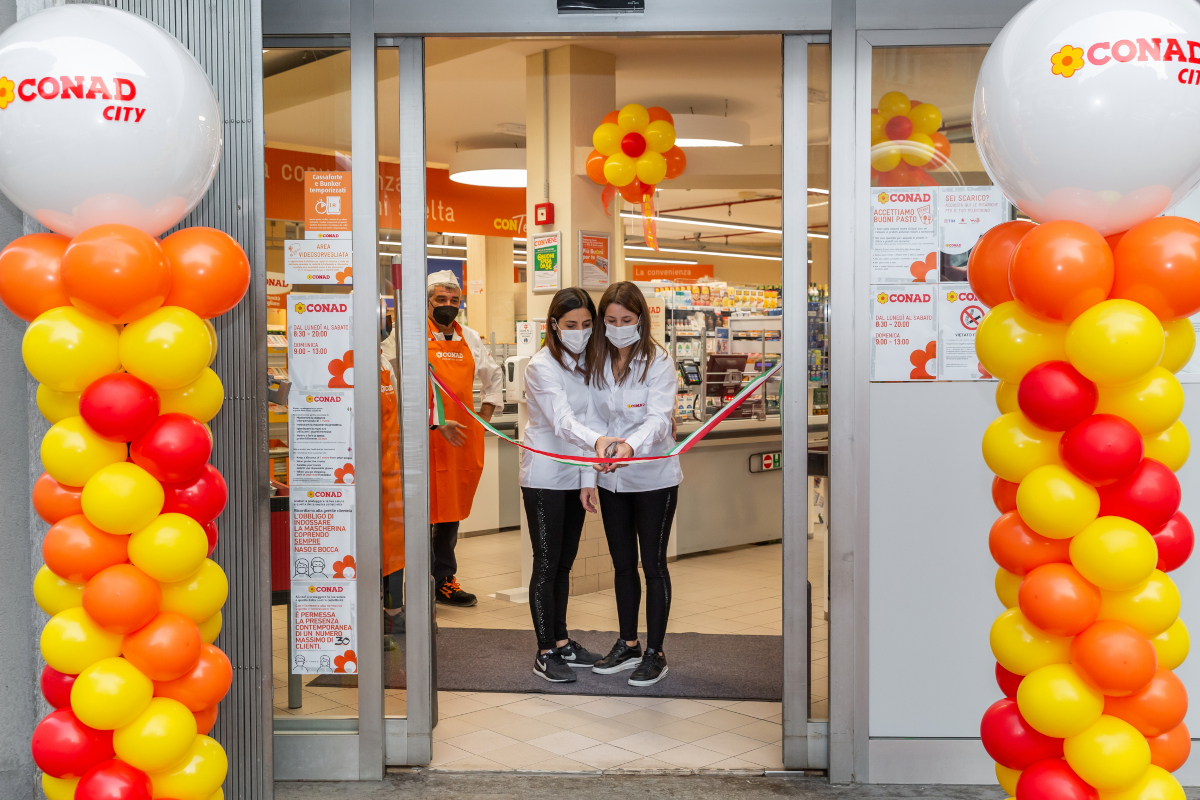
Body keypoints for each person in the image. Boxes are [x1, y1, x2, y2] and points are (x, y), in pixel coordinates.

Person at [587, 281, 682, 687]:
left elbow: (660, 419)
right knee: (623, 564)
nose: (618, 326)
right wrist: (596, 465)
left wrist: (630, 445)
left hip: (653, 476)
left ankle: (656, 652)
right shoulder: (598, 360)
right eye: (610, 320)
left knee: (654, 565)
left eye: (626, 320)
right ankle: (628, 644)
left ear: (640, 320)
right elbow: (592, 418)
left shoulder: (658, 361)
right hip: (612, 482)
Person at [520, 288, 607, 682]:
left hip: (575, 475)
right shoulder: (541, 366)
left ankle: (561, 641)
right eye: (571, 325)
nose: (580, 332)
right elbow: (563, 422)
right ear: (554, 325)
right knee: (546, 563)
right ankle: (543, 651)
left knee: (564, 563)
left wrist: (589, 477)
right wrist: (599, 444)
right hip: (544, 476)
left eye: (587, 325)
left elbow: (594, 419)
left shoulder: (588, 364)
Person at [426, 270, 503, 607]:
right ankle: (407, 583)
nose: (448, 306)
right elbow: (399, 385)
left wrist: (482, 419)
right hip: (421, 439)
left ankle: (444, 579)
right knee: (417, 512)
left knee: (450, 513)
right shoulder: (408, 337)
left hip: (459, 442)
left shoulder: (469, 337)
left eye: (453, 301)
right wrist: (433, 421)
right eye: (440, 300)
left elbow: (494, 376)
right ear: (427, 302)